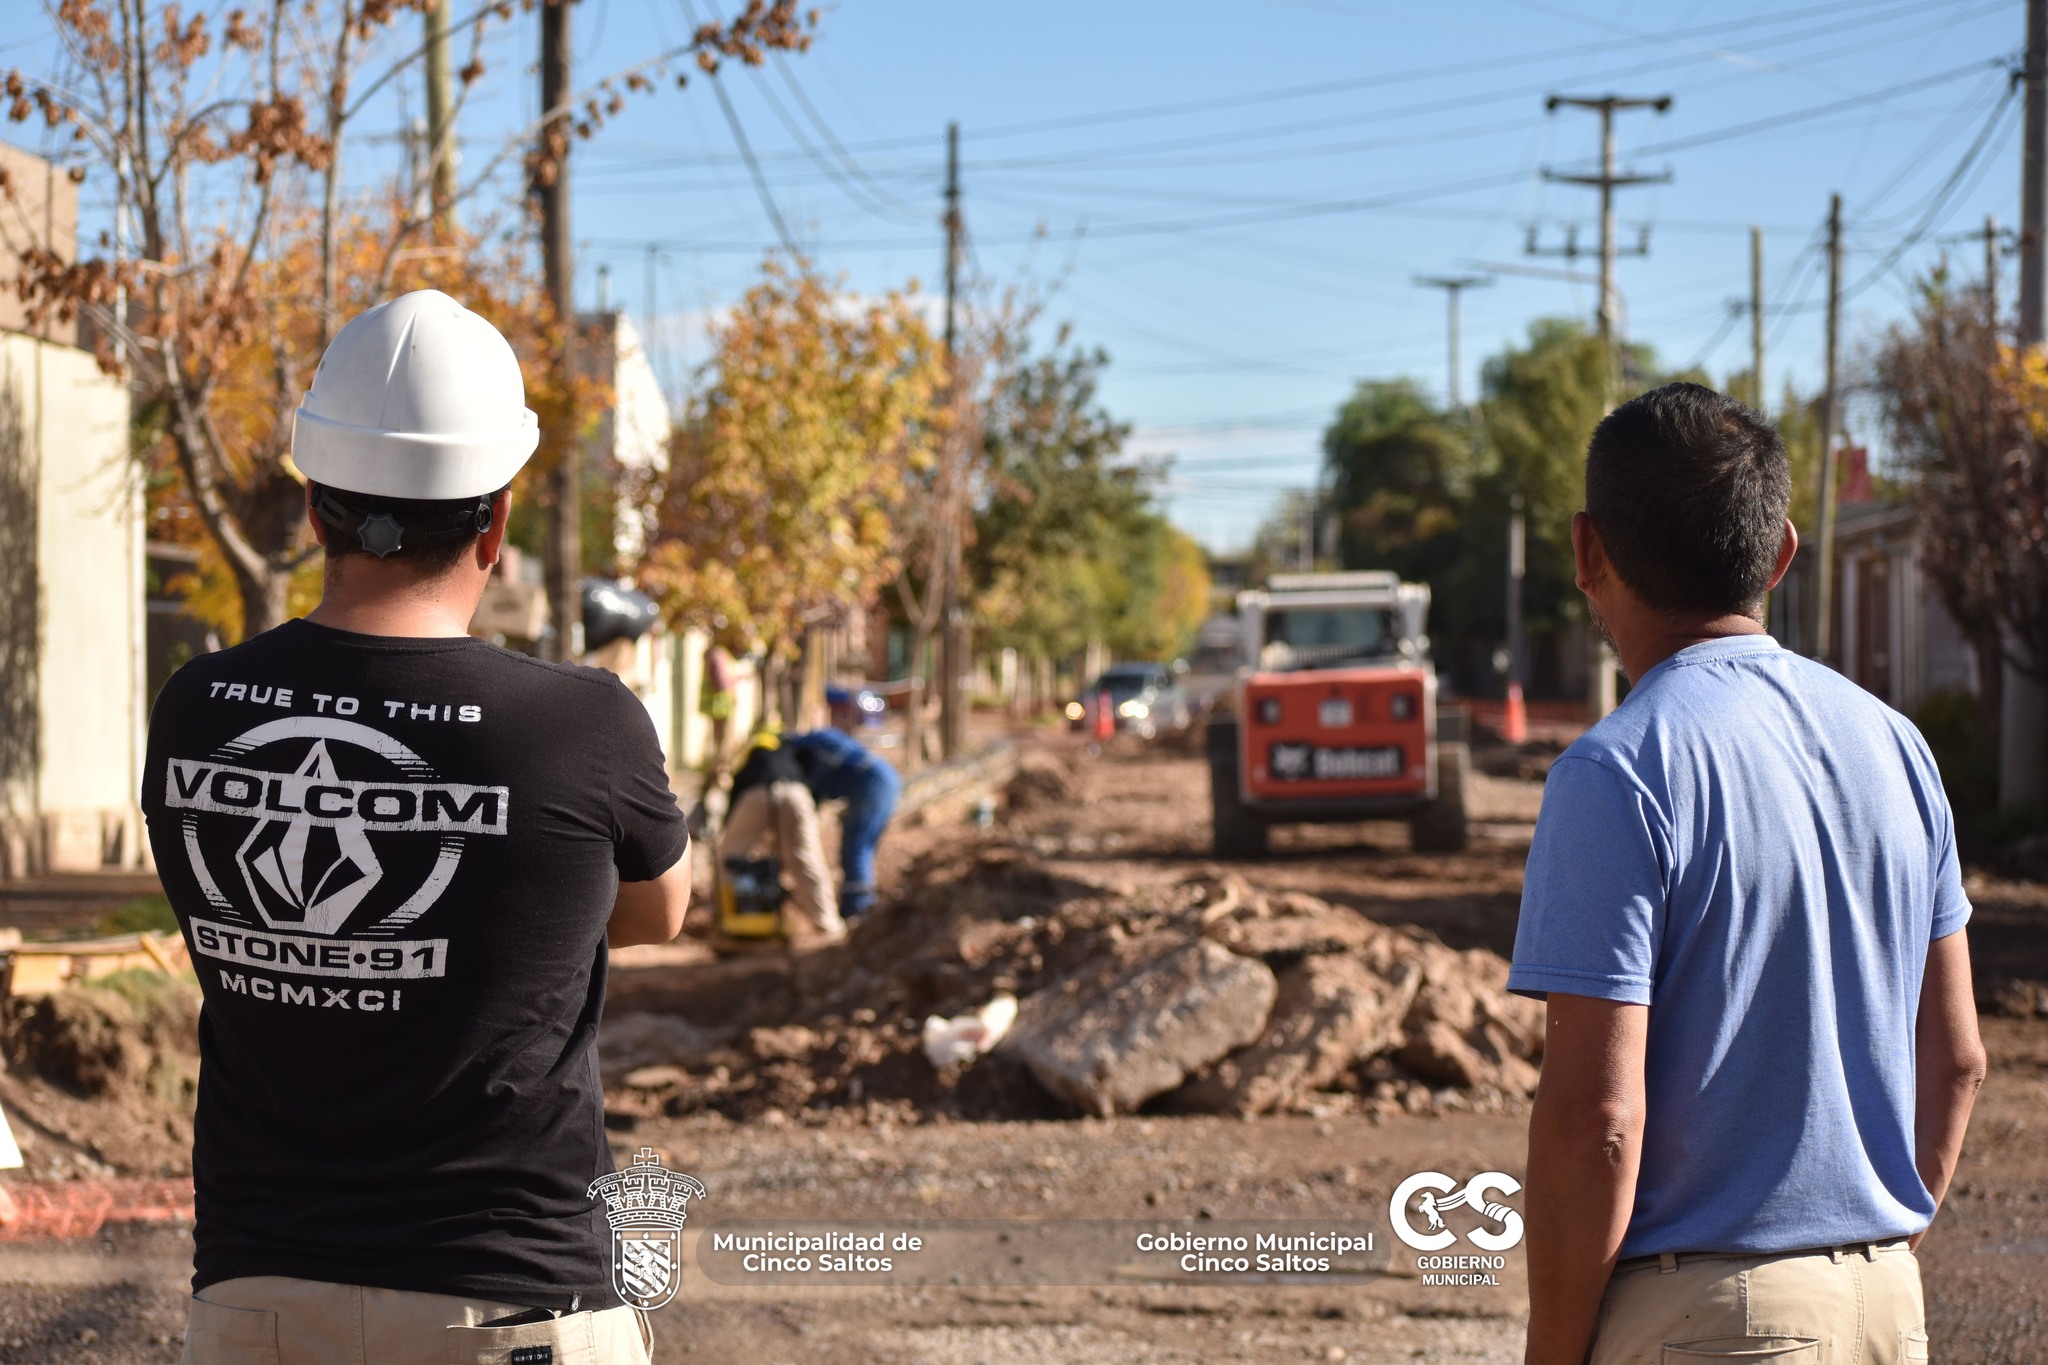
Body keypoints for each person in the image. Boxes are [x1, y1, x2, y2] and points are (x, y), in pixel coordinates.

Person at [141, 291, 692, 1365]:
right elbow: (658, 912)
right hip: (508, 1306)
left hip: (258, 1304)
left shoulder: (197, 707)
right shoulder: (581, 723)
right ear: (494, 523)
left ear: (312, 509)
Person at [1510, 382, 1985, 1365]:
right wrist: (1874, 1251)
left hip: (1712, 1321)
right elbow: (1957, 1058)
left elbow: (1596, 1120)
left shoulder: (1616, 769)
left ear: (1585, 551)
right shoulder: (1894, 746)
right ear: (1778, 553)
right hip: (1885, 1307)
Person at [718, 729, 844, 942]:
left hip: (755, 793)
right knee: (806, 858)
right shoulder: (793, 754)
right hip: (795, 793)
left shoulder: (751, 762)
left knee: (730, 857)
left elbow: (734, 801)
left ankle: (730, 921)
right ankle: (829, 924)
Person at [786, 725, 902, 917]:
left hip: (872, 786)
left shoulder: (809, 749)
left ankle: (858, 908)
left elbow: (815, 783)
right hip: (884, 778)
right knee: (862, 847)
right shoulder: (822, 738)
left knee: (856, 849)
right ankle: (859, 905)